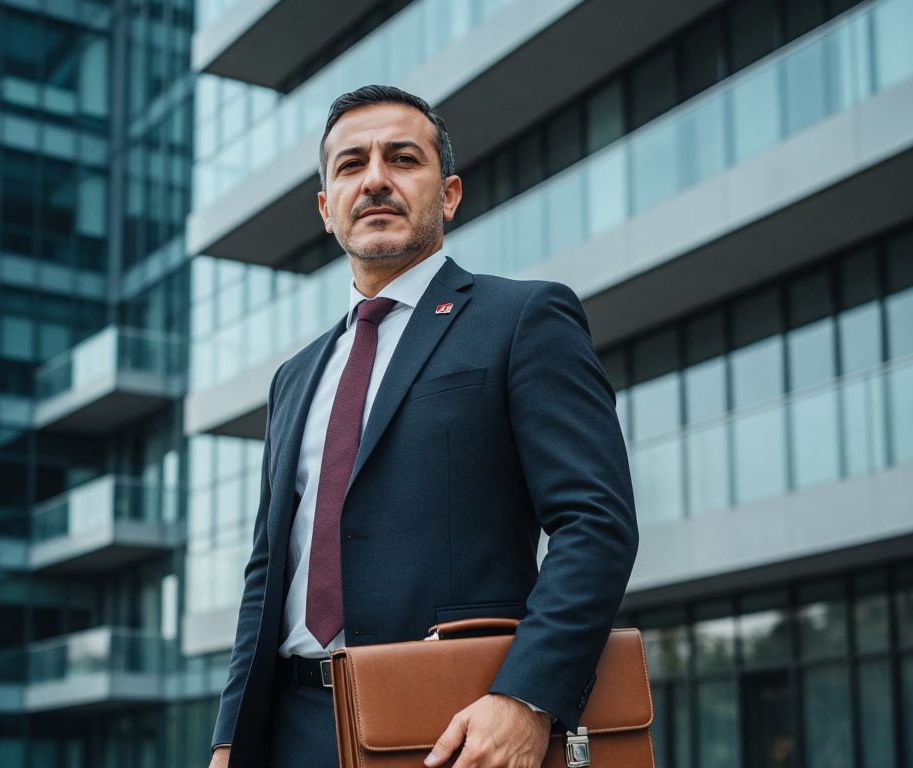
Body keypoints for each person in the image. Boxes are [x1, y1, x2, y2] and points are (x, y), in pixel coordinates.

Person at [208, 84, 638, 768]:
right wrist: (230, 739)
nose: (374, 178)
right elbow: (267, 575)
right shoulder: (295, 377)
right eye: (350, 165)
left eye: (402, 158)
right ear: (327, 208)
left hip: (454, 726)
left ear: (449, 194)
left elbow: (597, 524)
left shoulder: (524, 319)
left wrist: (527, 697)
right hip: (290, 731)